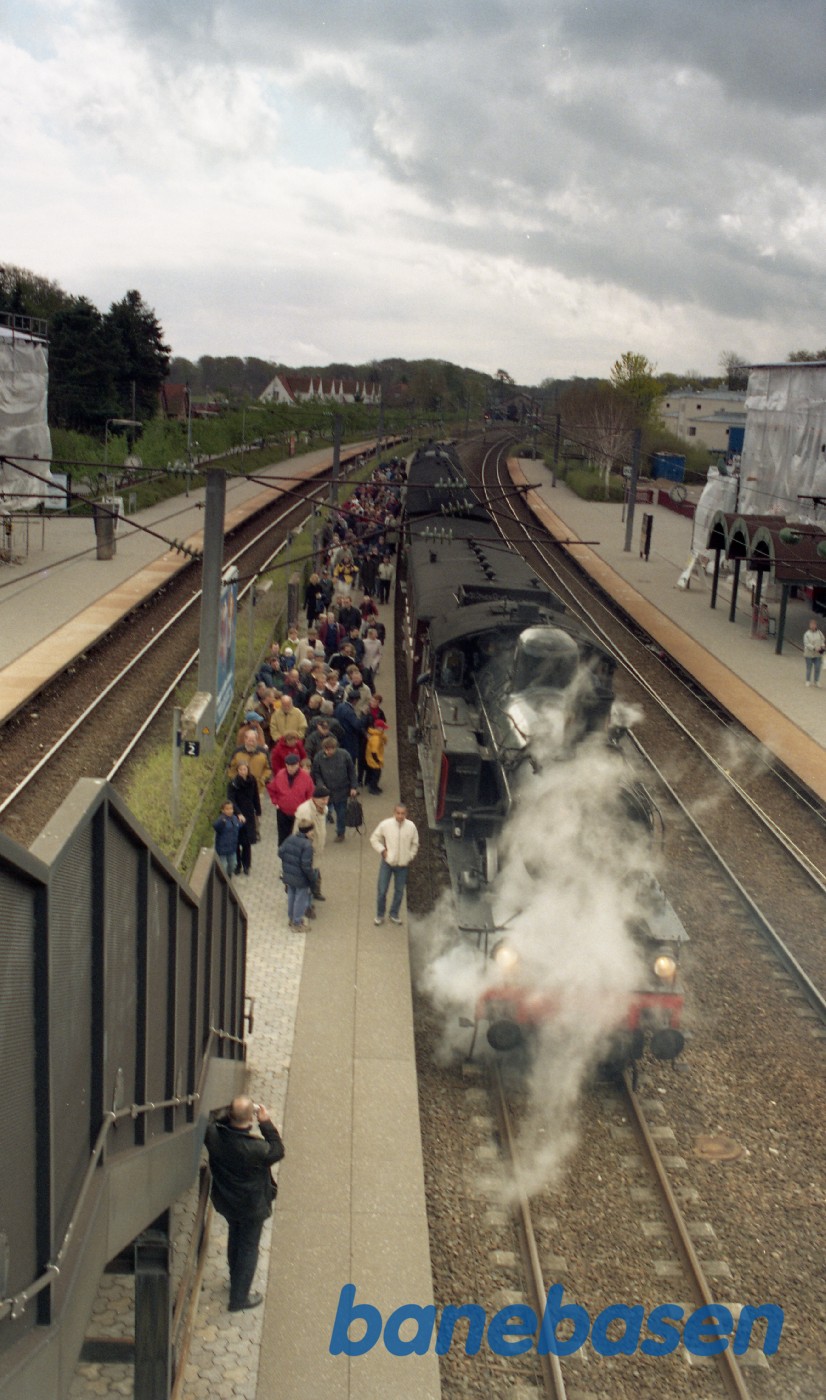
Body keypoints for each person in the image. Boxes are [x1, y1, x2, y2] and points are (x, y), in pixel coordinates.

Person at [204, 1097, 285, 1312]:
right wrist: (265, 1123)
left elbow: (212, 1119)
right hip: (252, 1206)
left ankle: (235, 1279)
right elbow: (278, 1149)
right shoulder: (257, 1148)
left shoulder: (213, 1136)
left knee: (235, 1236)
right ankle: (239, 1298)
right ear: (251, 1118)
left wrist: (232, 1112)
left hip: (227, 1202)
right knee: (248, 1247)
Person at [370, 804, 419, 925]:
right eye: (398, 813)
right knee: (382, 890)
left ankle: (394, 914)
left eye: (403, 814)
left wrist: (410, 856)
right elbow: (374, 839)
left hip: (402, 865)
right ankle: (380, 915)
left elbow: (415, 843)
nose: (400, 816)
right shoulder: (386, 825)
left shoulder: (411, 827)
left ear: (406, 814)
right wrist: (383, 851)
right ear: (394, 813)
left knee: (399, 891)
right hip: (387, 863)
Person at [311, 736, 358, 842]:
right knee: (320, 814)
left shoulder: (344, 755)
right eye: (327, 749)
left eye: (331, 748)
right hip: (325, 793)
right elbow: (316, 773)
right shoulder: (318, 757)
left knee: (341, 814)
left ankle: (340, 833)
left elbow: (351, 771)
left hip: (341, 790)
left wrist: (353, 787)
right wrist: (320, 785)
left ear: (335, 747)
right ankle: (318, 834)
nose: (329, 751)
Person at [267, 752, 314, 845]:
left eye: (293, 766)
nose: (290, 768)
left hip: (300, 814)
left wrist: (308, 810)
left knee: (300, 837)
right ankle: (283, 855)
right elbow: (272, 789)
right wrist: (275, 802)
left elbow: (310, 795)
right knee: (283, 838)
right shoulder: (280, 775)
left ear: (298, 765)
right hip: (282, 812)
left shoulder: (306, 778)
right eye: (288, 765)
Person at [278, 820, 316, 929]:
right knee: (300, 899)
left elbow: (280, 852)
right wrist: (312, 877)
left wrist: (289, 863)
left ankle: (291, 918)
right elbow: (306, 865)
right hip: (301, 877)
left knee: (291, 896)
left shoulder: (290, 838)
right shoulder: (307, 845)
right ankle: (297, 923)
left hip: (289, 874)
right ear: (308, 832)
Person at [227, 761, 260, 874]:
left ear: (247, 770)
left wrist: (258, 810)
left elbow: (255, 796)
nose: (242, 772)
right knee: (236, 841)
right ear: (237, 771)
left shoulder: (252, 781)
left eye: (244, 769)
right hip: (236, 815)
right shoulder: (233, 784)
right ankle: (237, 865)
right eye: (240, 770)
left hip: (249, 814)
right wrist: (238, 813)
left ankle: (247, 865)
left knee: (247, 843)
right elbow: (231, 800)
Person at [213, 800, 242, 879]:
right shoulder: (221, 819)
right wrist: (222, 822)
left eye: (231, 809)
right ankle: (223, 879)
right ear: (223, 810)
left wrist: (242, 822)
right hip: (222, 849)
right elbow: (216, 827)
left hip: (232, 848)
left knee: (233, 865)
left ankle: (228, 876)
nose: (230, 811)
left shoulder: (234, 818)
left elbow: (238, 826)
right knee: (223, 866)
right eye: (227, 809)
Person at [803, 616, 826, 686]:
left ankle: (817, 680)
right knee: (809, 668)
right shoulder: (807, 634)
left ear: (816, 625)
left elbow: (823, 639)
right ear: (809, 626)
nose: (813, 626)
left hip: (818, 654)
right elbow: (806, 643)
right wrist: (814, 648)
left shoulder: (819, 633)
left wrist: (822, 645)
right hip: (809, 654)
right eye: (811, 625)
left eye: (814, 625)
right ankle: (808, 680)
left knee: (817, 668)